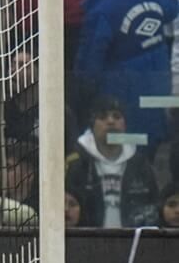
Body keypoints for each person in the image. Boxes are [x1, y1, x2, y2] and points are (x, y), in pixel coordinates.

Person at [75, 0, 178, 145]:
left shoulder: (100, 13)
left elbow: (88, 71)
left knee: (125, 163)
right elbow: (173, 7)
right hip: (157, 100)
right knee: (148, 159)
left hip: (122, 111)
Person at [65, 95, 161, 228]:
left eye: (117, 116)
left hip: (133, 243)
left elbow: (153, 207)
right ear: (92, 126)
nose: (110, 121)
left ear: (125, 125)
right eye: (103, 117)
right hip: (87, 242)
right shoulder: (76, 163)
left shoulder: (140, 164)